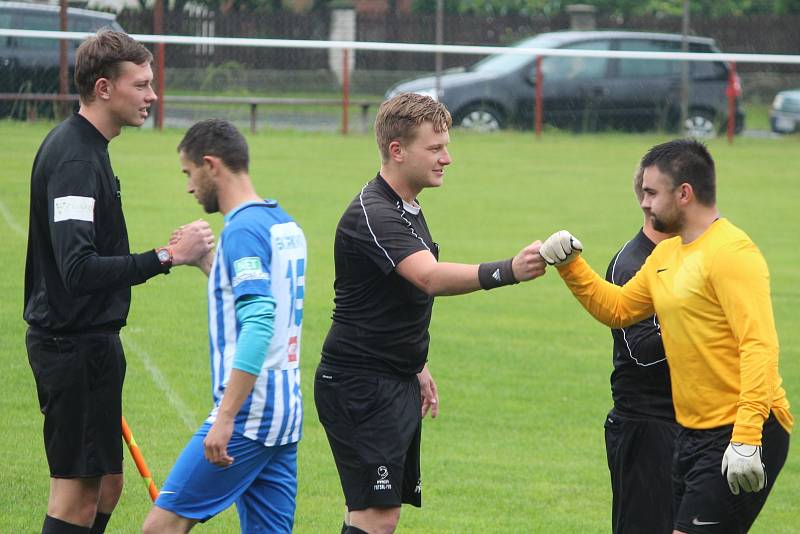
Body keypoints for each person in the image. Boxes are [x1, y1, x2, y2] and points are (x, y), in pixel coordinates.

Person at [314, 92, 547, 534]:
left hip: (391, 378)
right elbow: (429, 278)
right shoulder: (374, 212)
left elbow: (388, 299)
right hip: (361, 385)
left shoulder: (406, 206)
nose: (447, 158)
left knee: (371, 513)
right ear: (397, 151)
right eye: (435, 148)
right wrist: (508, 271)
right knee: (376, 516)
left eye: (446, 146)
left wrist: (416, 365)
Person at [540, 139, 792, 534]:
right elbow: (619, 309)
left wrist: (746, 436)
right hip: (691, 432)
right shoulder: (667, 255)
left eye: (652, 193)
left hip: (741, 431)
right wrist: (572, 266)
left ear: (685, 194)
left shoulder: (732, 254)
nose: (643, 202)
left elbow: (759, 345)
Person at [24, 30, 214, 534]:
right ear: (104, 88)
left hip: (92, 345)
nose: (153, 96)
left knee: (108, 484)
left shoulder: (92, 148)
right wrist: (167, 256)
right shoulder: (74, 159)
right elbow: (78, 269)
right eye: (143, 84)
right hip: (72, 346)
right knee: (76, 499)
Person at [142, 119, 307, 533]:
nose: (189, 187)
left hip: (251, 413)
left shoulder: (242, 231)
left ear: (211, 165)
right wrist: (204, 263)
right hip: (286, 411)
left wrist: (226, 417)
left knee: (160, 528)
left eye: (189, 173)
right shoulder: (282, 223)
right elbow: (259, 297)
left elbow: (258, 322)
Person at [603, 166, 680, 534]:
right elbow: (643, 350)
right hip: (648, 428)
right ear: (649, 201)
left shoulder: (693, 258)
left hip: (698, 426)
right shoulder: (632, 264)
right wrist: (699, 319)